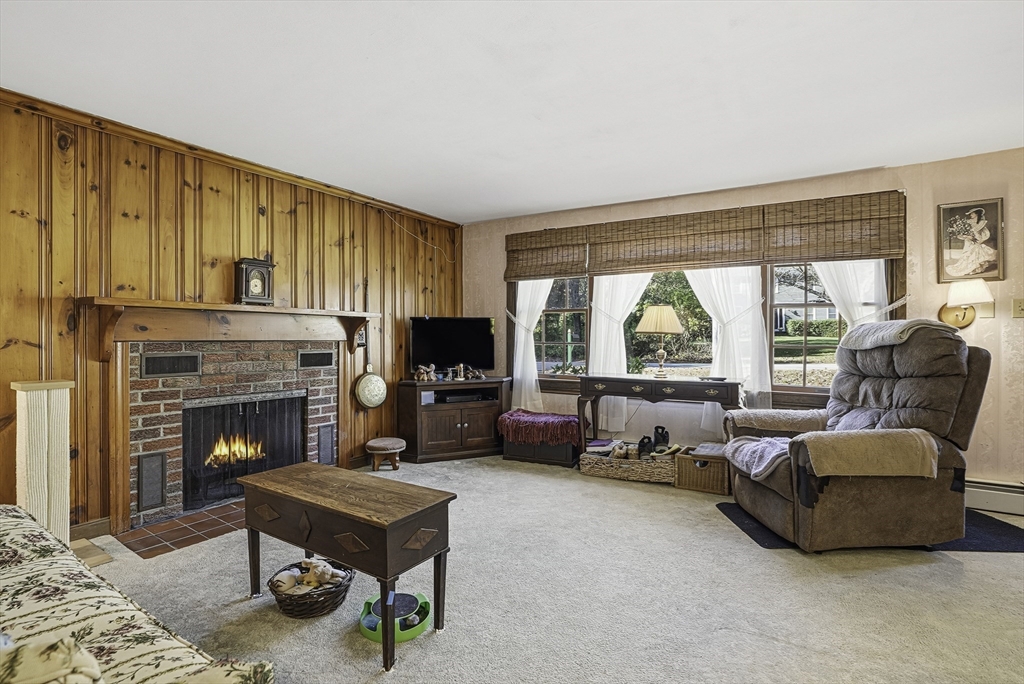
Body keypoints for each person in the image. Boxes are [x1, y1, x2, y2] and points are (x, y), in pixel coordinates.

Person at [946, 207, 997, 278]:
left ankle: (975, 269)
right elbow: (963, 232)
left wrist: (980, 239)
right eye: (970, 214)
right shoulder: (968, 221)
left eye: (972, 213)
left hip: (977, 239)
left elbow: (985, 233)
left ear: (977, 214)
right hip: (969, 240)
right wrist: (968, 237)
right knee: (968, 253)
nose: (970, 215)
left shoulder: (982, 222)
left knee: (976, 252)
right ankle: (969, 268)